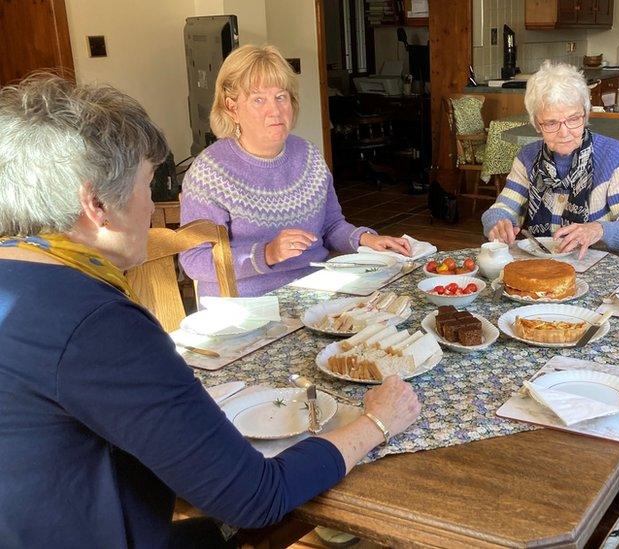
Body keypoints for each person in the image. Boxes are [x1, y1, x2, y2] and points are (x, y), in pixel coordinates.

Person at [0, 74, 421, 547]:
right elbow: (256, 497)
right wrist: (377, 422)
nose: (154, 211)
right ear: (95, 203)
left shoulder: (22, 276)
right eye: (147, 186)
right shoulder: (96, 323)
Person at [180, 45, 410, 297]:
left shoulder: (308, 155)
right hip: (246, 308)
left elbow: (331, 226)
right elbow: (194, 260)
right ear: (232, 107)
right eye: (258, 99)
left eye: (281, 97)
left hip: (315, 293)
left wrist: (366, 240)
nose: (275, 110)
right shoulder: (210, 171)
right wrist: (266, 253)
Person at [481, 60, 619, 259]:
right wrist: (498, 224)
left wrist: (599, 230)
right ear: (537, 124)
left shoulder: (613, 154)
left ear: (585, 115)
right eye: (551, 123)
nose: (564, 132)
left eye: (573, 119)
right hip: (548, 267)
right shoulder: (527, 157)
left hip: (608, 266)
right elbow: (501, 210)